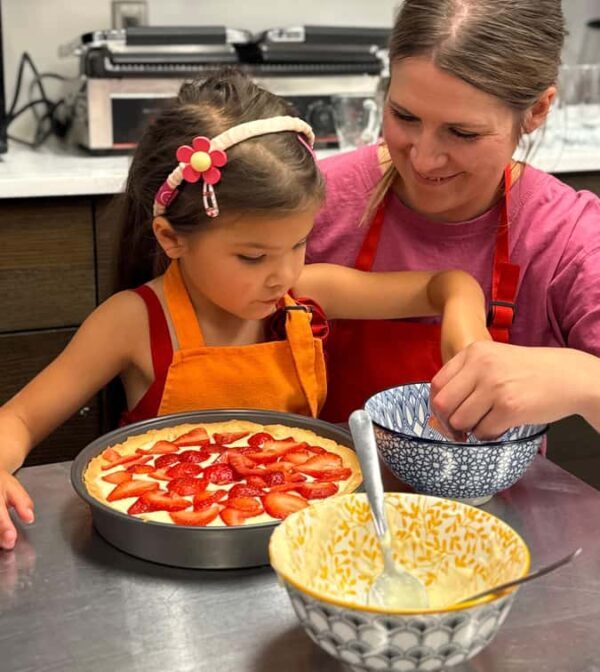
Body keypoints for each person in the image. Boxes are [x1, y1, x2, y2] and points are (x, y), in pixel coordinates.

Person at [0, 70, 490, 550]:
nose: (281, 275)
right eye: (253, 257)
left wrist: (466, 327)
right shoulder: (132, 323)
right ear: (172, 238)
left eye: (299, 244)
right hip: (173, 557)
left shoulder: (305, 292)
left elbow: (446, 286)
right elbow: (18, 419)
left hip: (306, 547)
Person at [307, 0, 600, 435]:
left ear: (538, 110)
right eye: (404, 116)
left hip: (491, 510)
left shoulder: (567, 237)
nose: (422, 159)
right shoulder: (313, 202)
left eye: (462, 134)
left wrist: (584, 378)